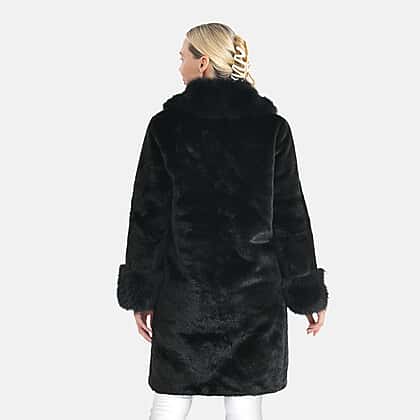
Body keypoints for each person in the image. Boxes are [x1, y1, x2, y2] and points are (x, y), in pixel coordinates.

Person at [117, 23, 329, 420]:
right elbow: (291, 219)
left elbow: (148, 218)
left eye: (182, 56)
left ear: (202, 63)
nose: (179, 65)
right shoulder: (272, 129)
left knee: (170, 401)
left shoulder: (166, 127)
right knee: (245, 406)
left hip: (184, 297)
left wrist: (142, 293)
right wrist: (306, 293)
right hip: (254, 301)